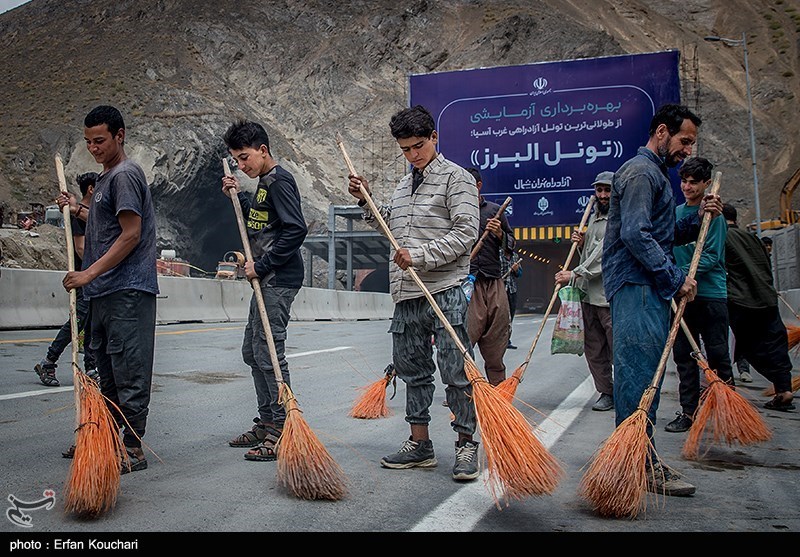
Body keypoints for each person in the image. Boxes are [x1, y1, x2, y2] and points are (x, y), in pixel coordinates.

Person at [347, 105, 481, 481]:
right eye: (405, 149)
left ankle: (466, 444)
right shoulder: (404, 186)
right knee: (412, 371)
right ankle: (419, 444)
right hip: (406, 296)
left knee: (456, 372)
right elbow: (390, 229)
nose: (413, 155)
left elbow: (466, 233)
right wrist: (366, 201)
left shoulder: (458, 179)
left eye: (418, 146)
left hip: (445, 289)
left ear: (434, 138)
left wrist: (419, 256)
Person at [602, 103, 722, 497]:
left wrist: (697, 216)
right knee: (639, 377)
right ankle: (639, 462)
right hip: (637, 287)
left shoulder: (654, 175)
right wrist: (675, 279)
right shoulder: (640, 173)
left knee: (645, 374)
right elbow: (637, 235)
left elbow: (661, 232)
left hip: (646, 288)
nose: (688, 150)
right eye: (684, 141)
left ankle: (639, 458)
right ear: (661, 132)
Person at [57, 105, 158, 473]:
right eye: (88, 142)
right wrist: (75, 209)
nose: (94, 148)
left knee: (129, 371)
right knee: (108, 374)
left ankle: (131, 448)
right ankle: (105, 438)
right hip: (104, 293)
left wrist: (87, 274)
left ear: (120, 135)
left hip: (126, 291)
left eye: (99, 140)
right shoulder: (105, 181)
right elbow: (108, 225)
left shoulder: (126, 175)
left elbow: (130, 234)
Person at [222, 120, 308, 462]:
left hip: (279, 277)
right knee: (252, 350)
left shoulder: (280, 180)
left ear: (263, 150)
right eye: (236, 161)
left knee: (270, 353)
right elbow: (258, 221)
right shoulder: (261, 184)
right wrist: (237, 194)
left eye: (245, 158)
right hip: (266, 277)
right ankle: (267, 419)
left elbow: (295, 229)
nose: (242, 166)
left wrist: (264, 263)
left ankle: (282, 427)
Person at [664, 157, 733, 433]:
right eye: (684, 181)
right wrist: (675, 278)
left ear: (707, 183)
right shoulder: (676, 213)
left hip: (710, 294)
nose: (688, 187)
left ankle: (726, 409)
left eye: (694, 182)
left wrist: (680, 274)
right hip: (681, 296)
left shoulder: (714, 215)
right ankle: (689, 411)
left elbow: (712, 256)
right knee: (683, 356)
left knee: (717, 353)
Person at [723, 203, 795, 411]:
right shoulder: (751, 237)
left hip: (742, 300)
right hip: (767, 298)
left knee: (751, 347)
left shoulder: (722, 238)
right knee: (775, 342)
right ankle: (784, 388)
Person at [555, 171, 615, 412]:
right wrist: (581, 244)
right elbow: (589, 255)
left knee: (616, 348)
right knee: (594, 348)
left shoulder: (618, 220)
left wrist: (575, 274)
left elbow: (603, 258)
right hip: (588, 296)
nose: (602, 195)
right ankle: (606, 391)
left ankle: (625, 393)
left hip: (609, 297)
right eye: (599, 190)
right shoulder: (594, 220)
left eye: (607, 190)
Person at [35, 172, 99, 388]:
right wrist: (93, 271)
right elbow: (80, 249)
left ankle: (91, 367)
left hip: (93, 276)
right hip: (85, 276)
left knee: (91, 323)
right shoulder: (78, 216)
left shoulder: (92, 214)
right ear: (91, 189)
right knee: (78, 320)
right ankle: (48, 361)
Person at [464, 167, 514, 387]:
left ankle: (498, 388)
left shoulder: (495, 211)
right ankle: (463, 387)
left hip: (493, 281)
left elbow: (511, 244)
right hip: (467, 283)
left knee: (497, 334)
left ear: (478, 186)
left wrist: (499, 233)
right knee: (466, 335)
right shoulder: (455, 212)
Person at [500, 246, 522, 350]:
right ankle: (497, 341)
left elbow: (519, 274)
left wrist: (516, 270)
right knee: (499, 316)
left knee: (510, 317)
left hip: (511, 290)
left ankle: (507, 340)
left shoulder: (515, 256)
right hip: (499, 290)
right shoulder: (497, 254)